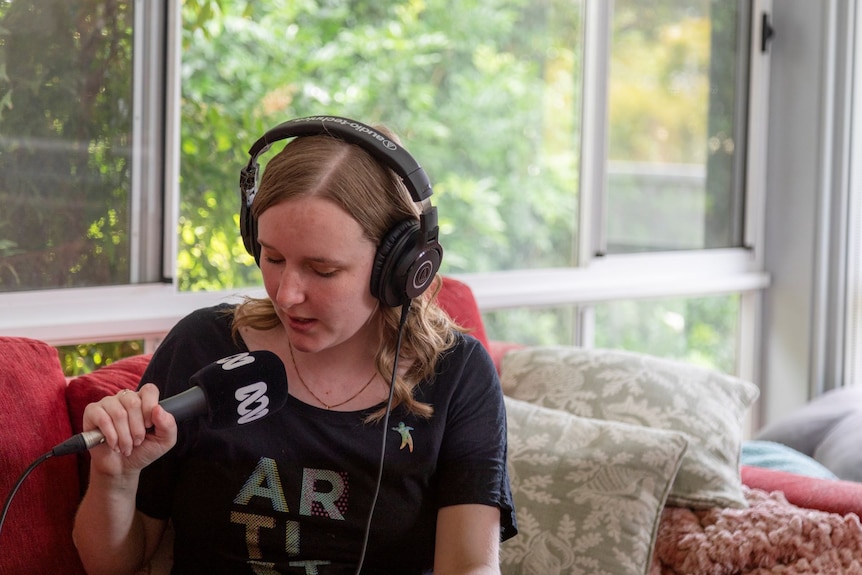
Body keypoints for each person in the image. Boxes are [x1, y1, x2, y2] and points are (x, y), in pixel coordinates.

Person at [72, 116, 517, 574]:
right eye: (273, 257)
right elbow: (112, 566)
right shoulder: (203, 347)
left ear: (399, 269)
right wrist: (116, 478)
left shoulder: (457, 375)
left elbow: (470, 568)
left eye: (323, 270)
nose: (286, 294)